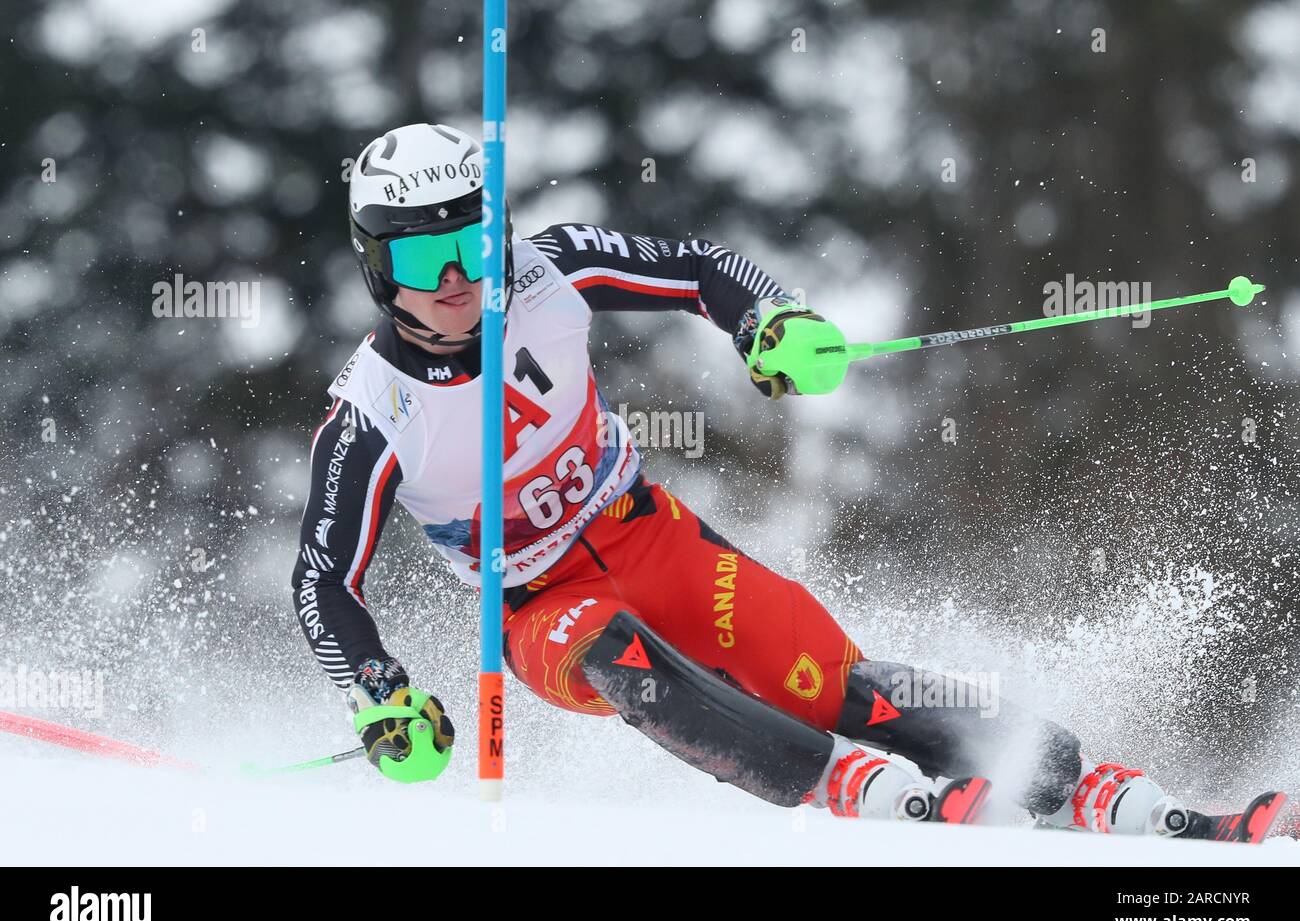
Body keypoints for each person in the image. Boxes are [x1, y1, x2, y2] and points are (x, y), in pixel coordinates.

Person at [291, 122, 1283, 840]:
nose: (457, 275)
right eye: (424, 254)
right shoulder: (372, 414)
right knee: (609, 648)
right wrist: (381, 692)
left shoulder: (550, 271)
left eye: (470, 239)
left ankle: (1096, 785)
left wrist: (769, 321)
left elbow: (696, 268)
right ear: (378, 265)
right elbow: (323, 580)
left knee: (826, 677)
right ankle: (855, 790)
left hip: (654, 536)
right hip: (540, 602)